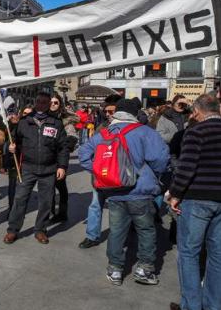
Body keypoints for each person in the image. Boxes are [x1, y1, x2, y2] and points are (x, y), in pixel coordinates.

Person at [80, 98, 169, 286]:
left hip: (114, 192)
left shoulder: (103, 133)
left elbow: (83, 155)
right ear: (134, 114)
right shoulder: (146, 132)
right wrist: (150, 174)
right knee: (146, 230)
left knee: (116, 231)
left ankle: (115, 270)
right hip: (141, 192)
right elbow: (161, 159)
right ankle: (144, 269)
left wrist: (100, 173)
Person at [168, 94, 221, 310]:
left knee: (189, 253)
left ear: (197, 112)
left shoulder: (195, 132)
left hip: (197, 198)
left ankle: (191, 305)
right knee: (217, 256)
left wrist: (175, 195)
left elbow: (186, 167)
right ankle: (213, 305)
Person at [3, 93, 68, 244]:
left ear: (48, 104)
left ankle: (40, 230)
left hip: (49, 169)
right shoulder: (24, 121)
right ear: (35, 103)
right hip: (28, 168)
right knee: (20, 199)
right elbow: (14, 140)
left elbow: (63, 147)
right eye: (39, 101)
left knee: (46, 202)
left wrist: (62, 166)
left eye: (45, 102)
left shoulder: (55, 123)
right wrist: (11, 147)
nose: (41, 104)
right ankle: (12, 230)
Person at [78, 94, 122, 249]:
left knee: (118, 209)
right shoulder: (101, 128)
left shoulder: (127, 128)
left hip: (120, 177)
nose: (108, 114)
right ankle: (92, 235)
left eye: (112, 111)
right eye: (106, 111)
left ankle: (119, 238)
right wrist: (95, 169)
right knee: (95, 205)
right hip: (100, 176)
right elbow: (87, 151)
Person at [48, 93, 80, 223]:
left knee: (60, 186)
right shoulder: (43, 116)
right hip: (45, 158)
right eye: (51, 102)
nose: (53, 105)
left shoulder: (65, 120)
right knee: (48, 187)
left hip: (59, 158)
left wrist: (60, 145)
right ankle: (49, 213)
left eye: (56, 102)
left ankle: (62, 213)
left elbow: (72, 138)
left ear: (60, 104)